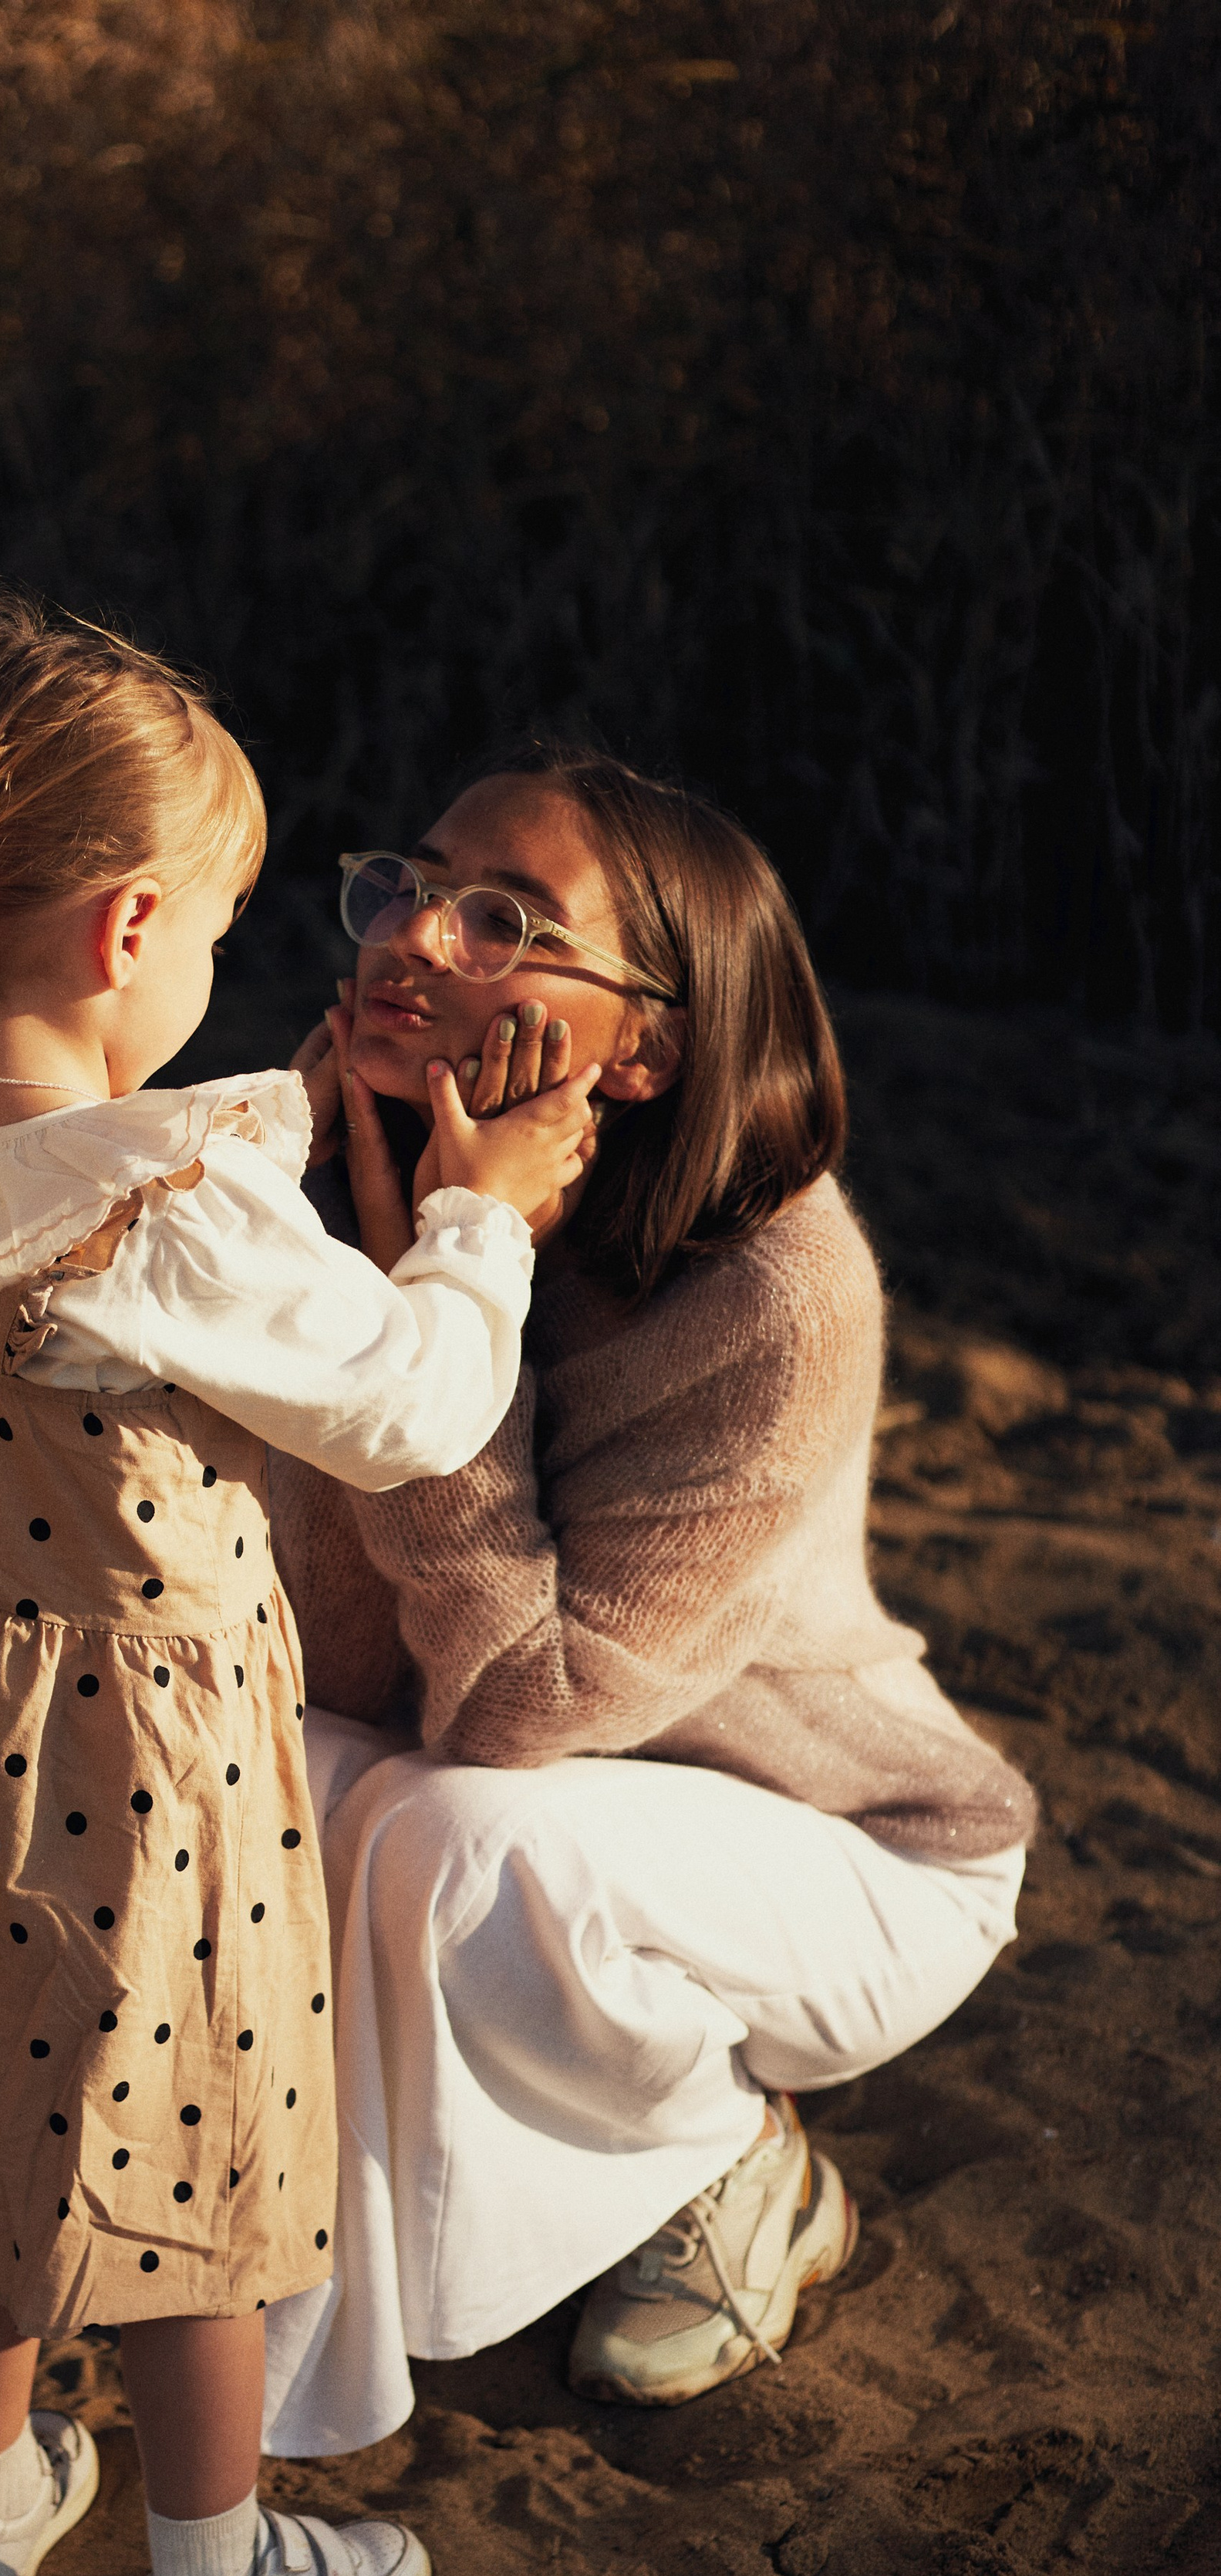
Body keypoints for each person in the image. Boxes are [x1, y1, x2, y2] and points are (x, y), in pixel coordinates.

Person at [0, 593, 597, 2576]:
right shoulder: (171, 1197)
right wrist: (489, 1216)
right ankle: (209, 2574)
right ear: (124, 936)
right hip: (146, 1740)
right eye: (210, 934)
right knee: (194, 2126)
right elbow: (406, 1406)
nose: (214, 984)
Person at [260, 748, 1037, 2460]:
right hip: (521, 1789)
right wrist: (370, 1244)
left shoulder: (778, 1296)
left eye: (500, 923)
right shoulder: (329, 1173)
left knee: (459, 1833)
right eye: (408, 884)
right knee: (252, 1765)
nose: (410, 938)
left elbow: (514, 1713)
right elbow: (329, 1657)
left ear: (647, 1044)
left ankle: (729, 2160)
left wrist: (439, 1297)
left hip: (841, 1852)